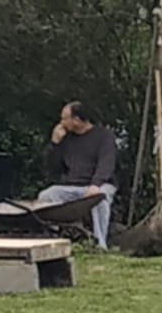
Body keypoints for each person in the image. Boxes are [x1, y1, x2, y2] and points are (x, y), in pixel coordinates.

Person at [37, 101, 117, 248]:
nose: (61, 123)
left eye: (64, 118)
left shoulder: (104, 136)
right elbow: (53, 168)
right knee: (46, 196)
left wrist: (95, 184)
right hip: (71, 186)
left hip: (99, 184)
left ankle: (100, 245)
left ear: (77, 120)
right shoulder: (65, 138)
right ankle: (53, 241)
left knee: (99, 198)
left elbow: (106, 164)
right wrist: (55, 144)